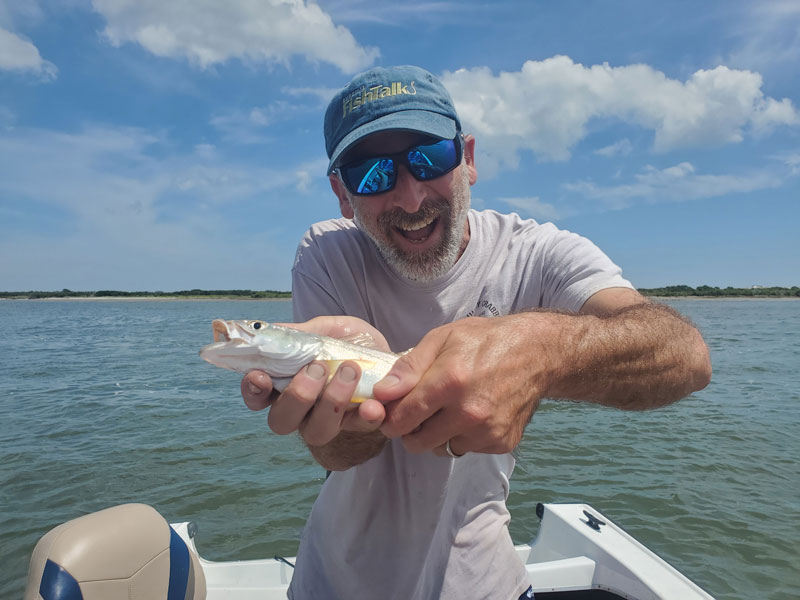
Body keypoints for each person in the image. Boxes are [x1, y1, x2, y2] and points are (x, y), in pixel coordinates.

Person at [241, 65, 712, 600]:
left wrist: (541, 352)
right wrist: (343, 423)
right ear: (342, 194)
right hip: (335, 582)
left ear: (467, 159)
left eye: (429, 158)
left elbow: (685, 356)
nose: (411, 198)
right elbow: (340, 455)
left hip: (486, 581)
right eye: (371, 175)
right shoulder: (327, 254)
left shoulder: (536, 254)